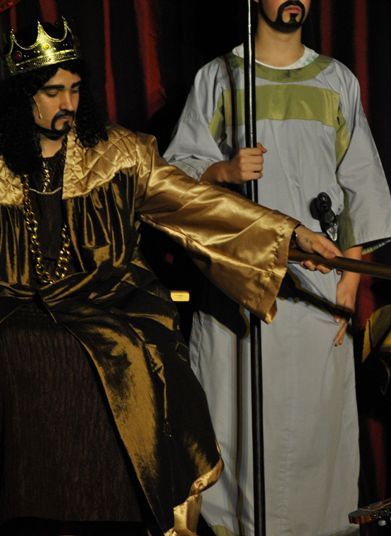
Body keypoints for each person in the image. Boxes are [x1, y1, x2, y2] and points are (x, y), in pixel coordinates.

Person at [0, 18, 341, 536]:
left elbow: (196, 204)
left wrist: (290, 235)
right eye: (52, 92)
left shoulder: (119, 154)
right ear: (22, 96)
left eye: (75, 89)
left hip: (110, 299)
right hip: (15, 304)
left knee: (127, 353)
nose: (67, 103)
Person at [164, 1, 391, 534]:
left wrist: (351, 281)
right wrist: (222, 171)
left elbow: (360, 184)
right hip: (239, 287)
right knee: (239, 424)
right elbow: (173, 179)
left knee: (315, 429)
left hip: (318, 287)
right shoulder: (220, 77)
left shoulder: (336, 80)